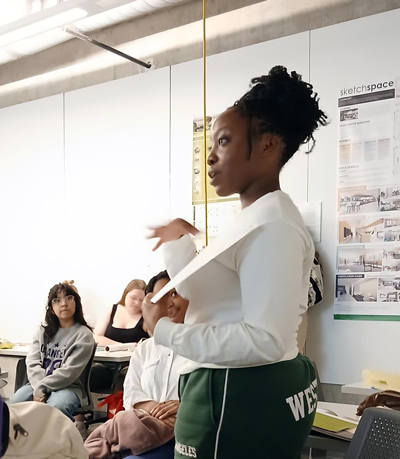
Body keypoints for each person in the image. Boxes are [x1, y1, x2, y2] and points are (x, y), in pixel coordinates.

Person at [144, 66, 328, 458]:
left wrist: (164, 332)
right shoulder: (254, 217)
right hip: (227, 389)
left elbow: (264, 339)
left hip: (238, 395)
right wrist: (179, 244)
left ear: (267, 146)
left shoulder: (272, 225)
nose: (209, 157)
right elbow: (216, 302)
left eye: (224, 141)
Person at [84, 271, 189, 459]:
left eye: (175, 293)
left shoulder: (201, 345)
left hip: (180, 435)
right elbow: (131, 393)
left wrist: (184, 406)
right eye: (160, 296)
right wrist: (157, 410)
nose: (169, 302)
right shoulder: (146, 348)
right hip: (141, 431)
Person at [9, 281, 95, 421]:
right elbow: (32, 362)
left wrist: (42, 387)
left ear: (76, 302)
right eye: (57, 300)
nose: (63, 303)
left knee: (54, 409)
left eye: (69, 298)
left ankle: (55, 442)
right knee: (13, 406)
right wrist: (39, 387)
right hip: (37, 383)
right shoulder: (42, 332)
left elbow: (69, 372)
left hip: (68, 387)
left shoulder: (83, 335)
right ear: (51, 307)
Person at [91, 279, 149, 392]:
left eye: (141, 300)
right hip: (105, 364)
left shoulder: (146, 317)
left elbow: (155, 341)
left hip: (131, 366)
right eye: (133, 298)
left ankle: (118, 407)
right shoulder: (113, 309)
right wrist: (123, 345)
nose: (136, 303)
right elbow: (96, 336)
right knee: (88, 373)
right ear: (125, 294)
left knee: (124, 378)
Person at [1, 395, 88, 459]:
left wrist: (44, 387)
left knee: (59, 405)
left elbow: (68, 375)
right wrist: (39, 390)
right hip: (36, 385)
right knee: (15, 400)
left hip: (66, 385)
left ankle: (78, 426)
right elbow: (33, 370)